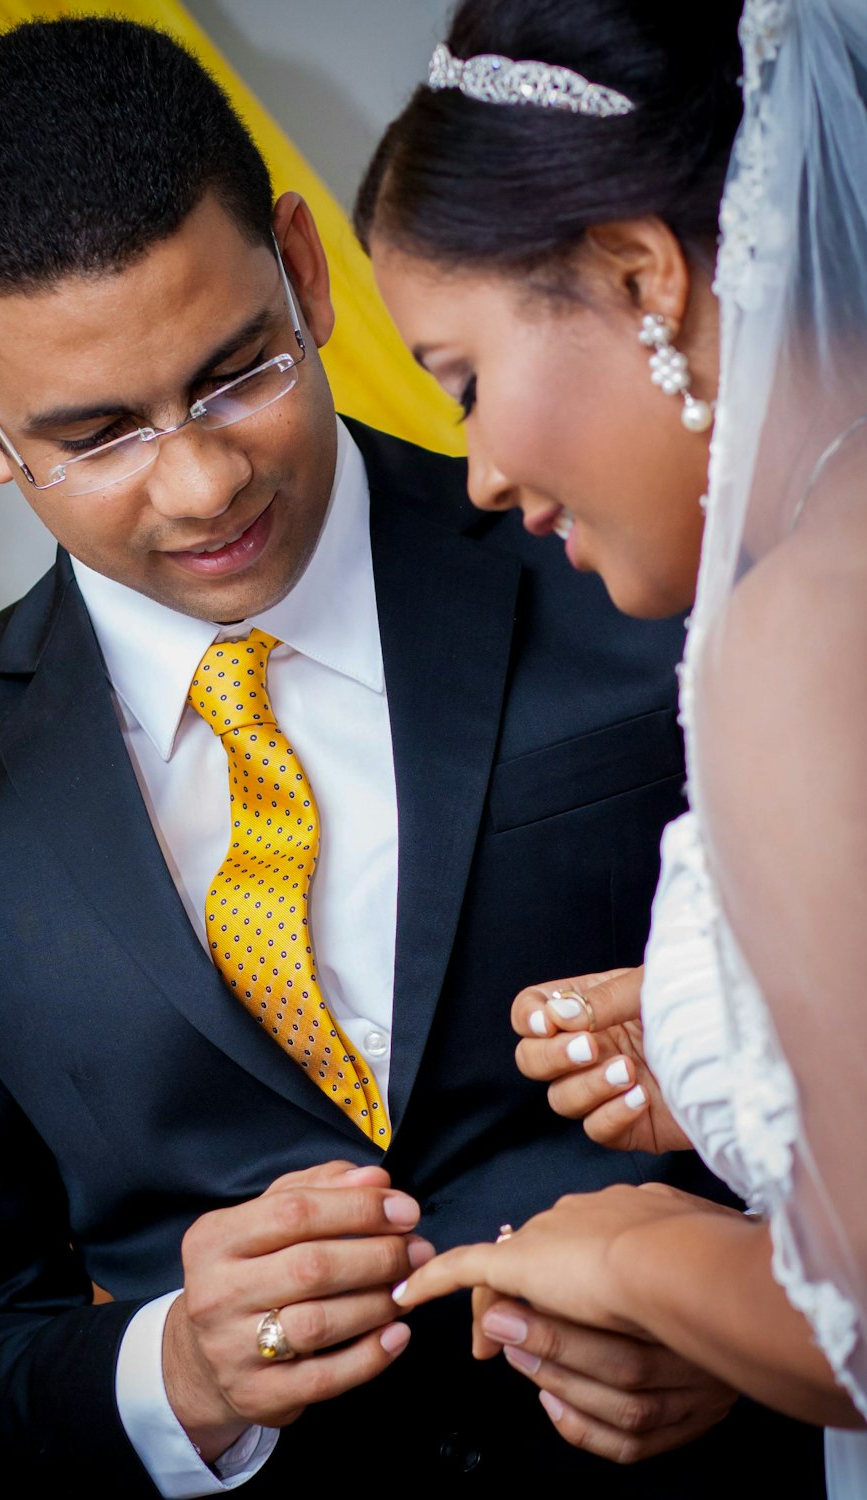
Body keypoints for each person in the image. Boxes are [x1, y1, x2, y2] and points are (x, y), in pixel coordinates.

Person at [0, 15, 827, 1500]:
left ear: (306, 273)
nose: (200, 485)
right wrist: (170, 1373)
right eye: (101, 434)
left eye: (236, 370)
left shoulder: (632, 554)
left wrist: (740, 1315)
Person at [354, 0, 867, 1490]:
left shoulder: (797, 636)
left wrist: (633, 1253)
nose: (484, 471)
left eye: (461, 381)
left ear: (642, 273)